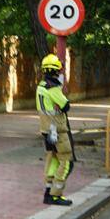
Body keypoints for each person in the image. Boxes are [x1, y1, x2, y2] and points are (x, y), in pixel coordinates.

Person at [36, 54, 74, 205]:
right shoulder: (52, 88)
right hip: (57, 130)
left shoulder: (41, 85)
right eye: (58, 70)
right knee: (66, 162)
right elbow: (66, 105)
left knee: (53, 160)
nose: (59, 72)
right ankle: (56, 194)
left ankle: (48, 192)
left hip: (46, 130)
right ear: (53, 71)